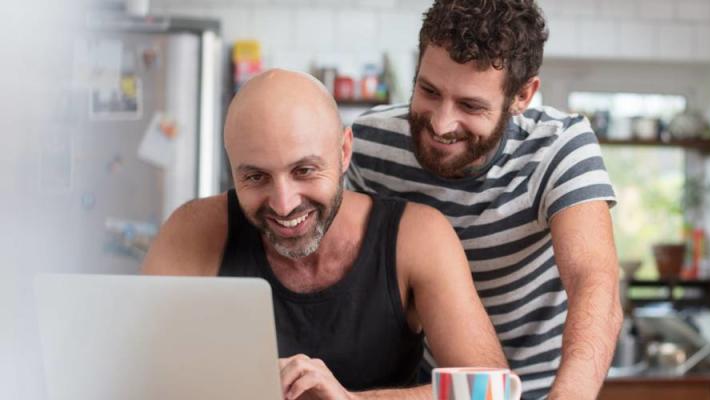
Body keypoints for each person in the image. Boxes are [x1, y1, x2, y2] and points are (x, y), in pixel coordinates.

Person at [142, 69, 506, 399]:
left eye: (303, 170)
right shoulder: (193, 231)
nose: (283, 205)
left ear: (344, 151)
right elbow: (132, 370)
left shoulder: (417, 237)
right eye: (256, 177)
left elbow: (491, 391)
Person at [347, 1, 622, 398]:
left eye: (470, 105)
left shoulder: (558, 149)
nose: (441, 124)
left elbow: (593, 280)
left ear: (523, 95)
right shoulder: (370, 147)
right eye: (428, 90)